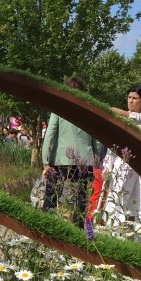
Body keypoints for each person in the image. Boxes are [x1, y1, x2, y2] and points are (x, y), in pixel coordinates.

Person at [40, 76, 100, 224]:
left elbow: (49, 135)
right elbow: (96, 139)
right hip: (85, 160)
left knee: (52, 196)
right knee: (80, 199)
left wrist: (45, 161)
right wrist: (96, 158)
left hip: (61, 159)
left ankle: (47, 227)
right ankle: (79, 233)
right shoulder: (90, 112)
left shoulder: (59, 109)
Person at [100, 84, 141, 226]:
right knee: (118, 199)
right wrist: (107, 166)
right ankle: (112, 229)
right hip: (123, 165)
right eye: (129, 97)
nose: (130, 101)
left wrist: (123, 113)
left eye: (135, 98)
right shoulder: (119, 119)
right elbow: (112, 145)